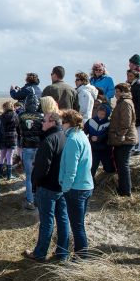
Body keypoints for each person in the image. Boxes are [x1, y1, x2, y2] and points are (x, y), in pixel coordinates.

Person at [23, 111, 68, 262]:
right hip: (62, 186)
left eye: (44, 121)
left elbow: (41, 168)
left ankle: (40, 253)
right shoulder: (65, 137)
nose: (41, 123)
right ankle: (62, 253)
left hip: (48, 186)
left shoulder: (49, 139)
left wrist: (35, 184)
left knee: (47, 221)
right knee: (62, 219)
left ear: (53, 123)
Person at [59, 109, 94, 258]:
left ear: (68, 123)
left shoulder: (73, 140)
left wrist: (65, 189)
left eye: (63, 122)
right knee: (79, 224)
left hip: (76, 188)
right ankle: (81, 255)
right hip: (86, 185)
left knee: (77, 226)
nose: (61, 125)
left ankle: (81, 257)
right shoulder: (81, 135)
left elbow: (71, 169)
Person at [109, 83, 137, 196]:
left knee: (123, 165)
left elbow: (126, 122)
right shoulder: (122, 102)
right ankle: (123, 188)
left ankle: (125, 191)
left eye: (117, 92)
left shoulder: (125, 103)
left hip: (126, 138)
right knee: (121, 164)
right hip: (124, 138)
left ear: (123, 92)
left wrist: (119, 135)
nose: (115, 94)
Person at [18, 95, 44, 210]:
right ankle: (38, 199)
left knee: (28, 176)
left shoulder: (21, 115)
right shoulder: (41, 116)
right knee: (38, 175)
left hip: (27, 147)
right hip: (39, 148)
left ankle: (30, 201)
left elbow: (18, 130)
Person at [85, 103, 113, 178]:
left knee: (109, 167)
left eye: (103, 114)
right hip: (94, 149)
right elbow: (84, 131)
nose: (100, 116)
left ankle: (107, 181)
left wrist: (99, 138)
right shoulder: (91, 121)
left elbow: (108, 134)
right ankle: (92, 184)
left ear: (107, 114)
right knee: (92, 168)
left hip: (105, 149)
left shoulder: (109, 123)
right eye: (99, 113)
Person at [0, 101, 20, 180]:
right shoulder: (15, 115)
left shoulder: (1, 117)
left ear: (4, 107)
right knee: (9, 156)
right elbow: (18, 127)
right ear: (11, 107)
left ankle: (0, 173)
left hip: (3, 138)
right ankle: (9, 176)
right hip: (12, 138)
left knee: (2, 155)